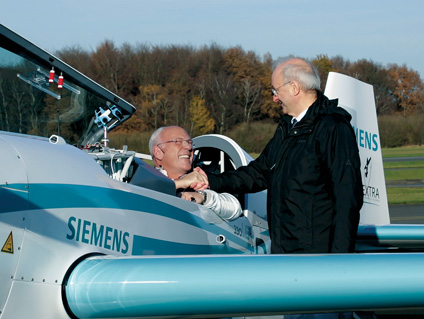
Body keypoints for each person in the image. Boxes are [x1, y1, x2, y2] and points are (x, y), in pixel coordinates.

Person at [192, 57, 363, 254]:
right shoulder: (288, 128)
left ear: (294, 88)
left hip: (316, 257)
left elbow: (347, 198)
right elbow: (259, 173)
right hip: (284, 252)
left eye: (275, 91)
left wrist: (339, 261)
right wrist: (209, 181)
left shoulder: (333, 128)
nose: (274, 98)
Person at [149, 126, 242, 221]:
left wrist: (204, 197)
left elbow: (235, 209)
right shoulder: (141, 178)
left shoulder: (199, 180)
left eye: (189, 142)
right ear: (158, 152)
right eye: (178, 141)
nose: (189, 147)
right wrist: (177, 184)